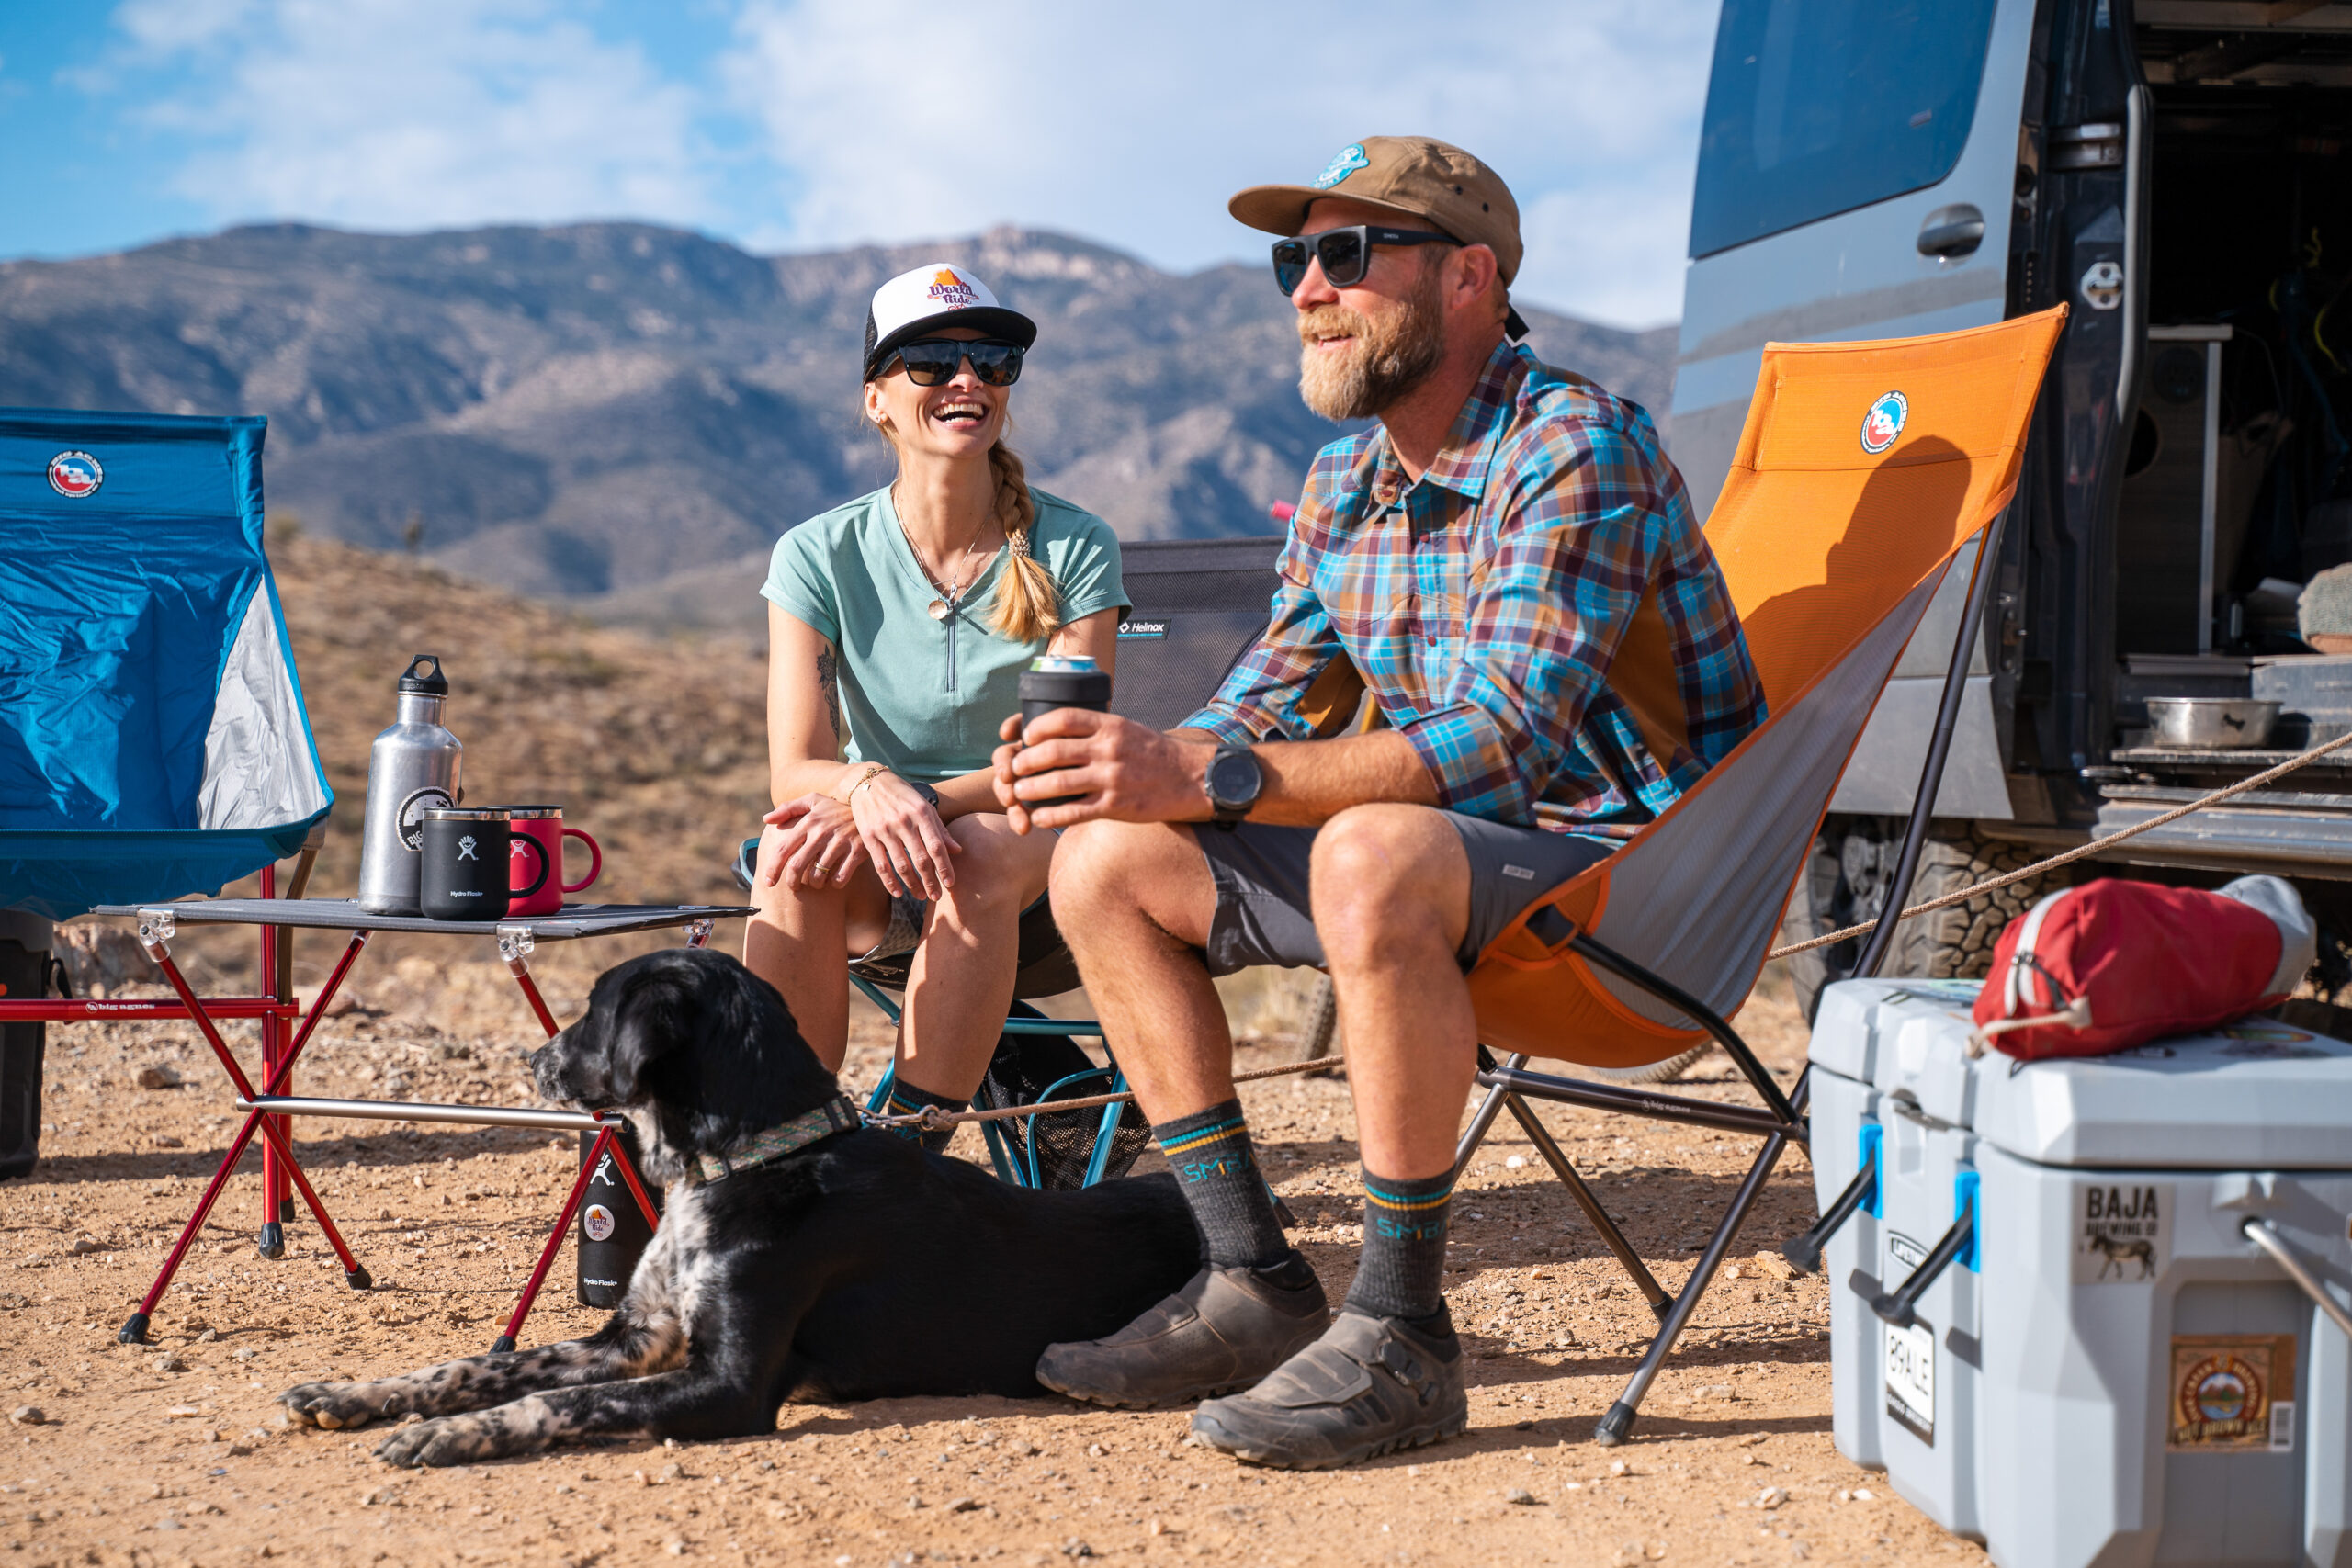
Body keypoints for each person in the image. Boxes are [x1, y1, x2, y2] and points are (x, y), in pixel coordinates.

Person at [993, 137, 1766, 1468]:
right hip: (1459, 865)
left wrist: (1200, 773)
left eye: (1346, 256)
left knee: (1369, 849)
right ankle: (1250, 1279)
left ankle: (1405, 1333)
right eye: (1294, 261)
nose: (1307, 290)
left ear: (1468, 278)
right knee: (1103, 862)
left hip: (1635, 883)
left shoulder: (1576, 445)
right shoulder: (1346, 484)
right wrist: (1126, 767)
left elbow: (1503, 743)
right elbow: (1258, 705)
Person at [748, 263, 1126, 1145]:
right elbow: (795, 767)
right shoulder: (816, 553)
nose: (967, 379)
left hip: (1039, 845)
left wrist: (914, 799)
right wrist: (865, 787)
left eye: (992, 362)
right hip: (884, 849)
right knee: (789, 848)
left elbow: (1060, 757)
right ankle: (786, 1144)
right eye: (931, 362)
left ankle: (905, 1151)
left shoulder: (1076, 545)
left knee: (975, 854)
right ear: (876, 399)